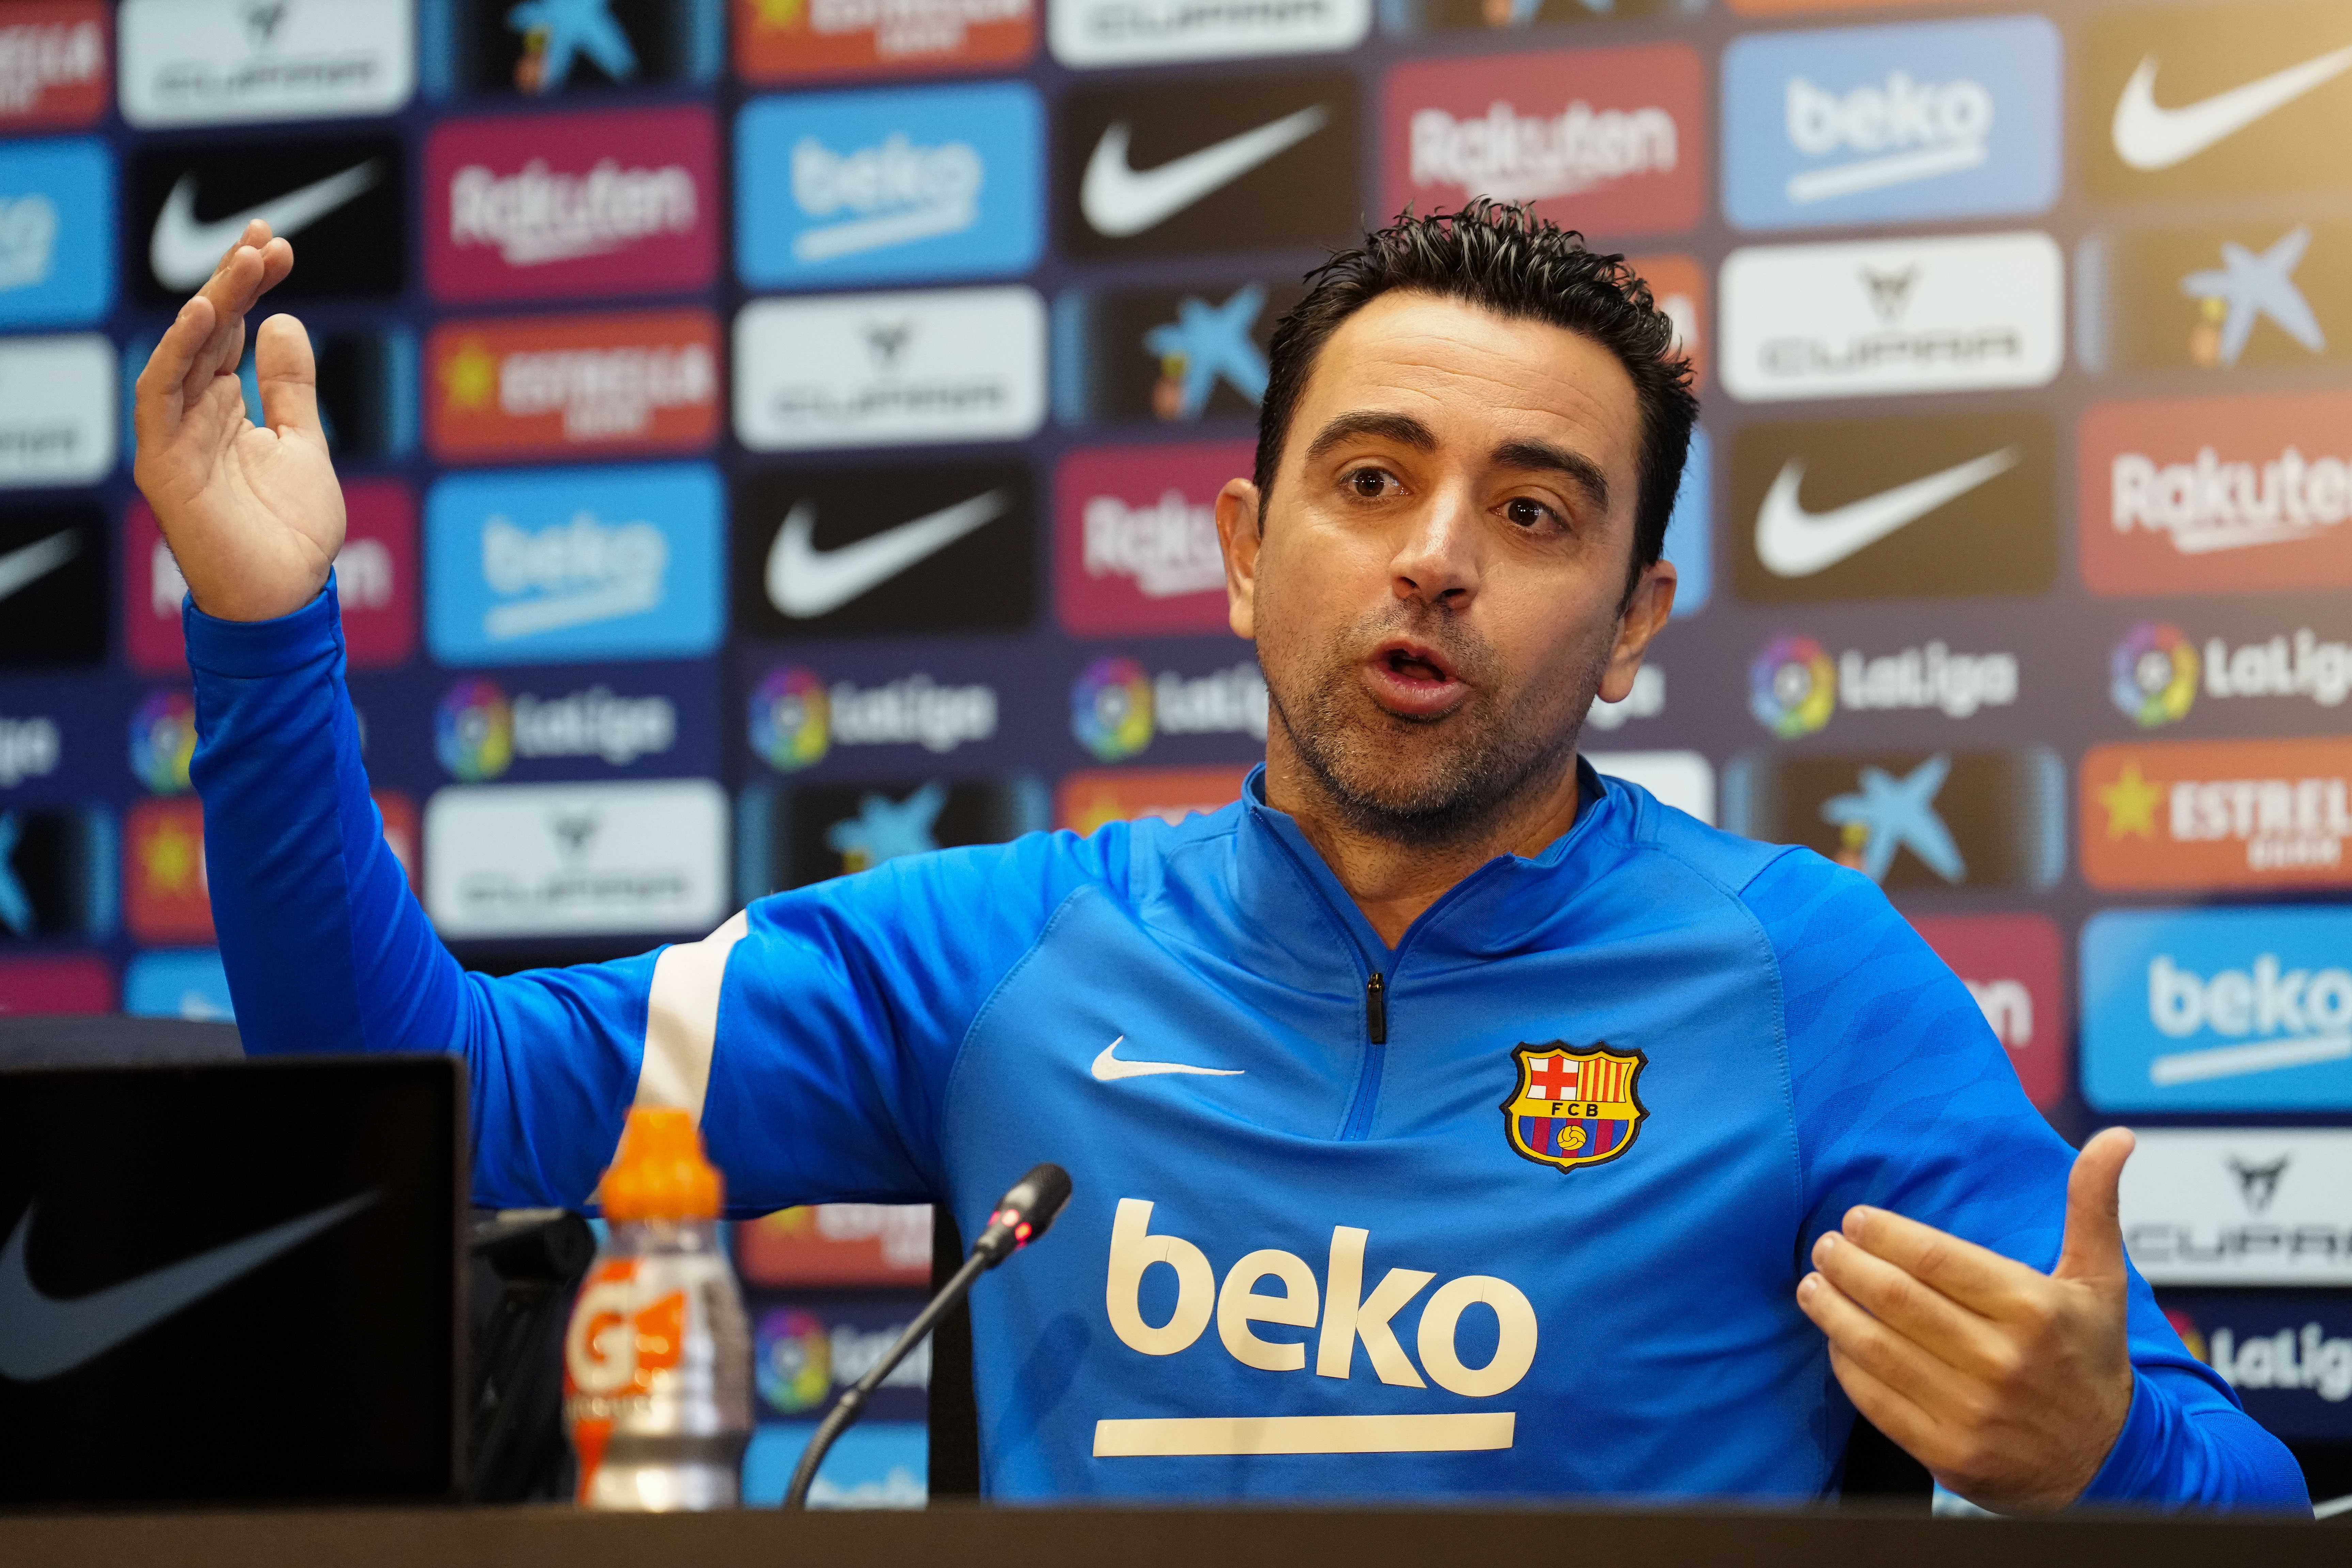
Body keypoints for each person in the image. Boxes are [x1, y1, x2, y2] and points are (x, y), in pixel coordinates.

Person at [134, 201, 2304, 1510]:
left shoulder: (1809, 983)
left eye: (1538, 514)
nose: (1439, 561)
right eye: (1372, 480)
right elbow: (433, 1105)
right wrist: (261, 629)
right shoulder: (1012, 949)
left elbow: (2249, 1488)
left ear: (1638, 624)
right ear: (1250, 554)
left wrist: (2092, 1447)